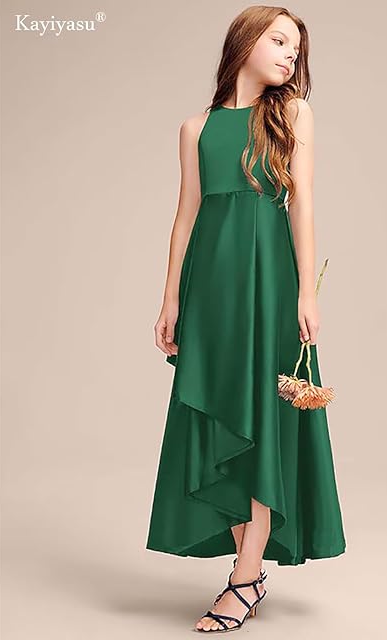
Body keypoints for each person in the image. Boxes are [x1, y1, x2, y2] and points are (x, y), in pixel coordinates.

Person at [146, 5, 346, 633]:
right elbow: (186, 215)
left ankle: (244, 575)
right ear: (245, 41)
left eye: (296, 48)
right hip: (210, 291)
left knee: (261, 421)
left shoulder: (292, 113)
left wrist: (306, 294)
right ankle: (250, 573)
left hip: (269, 286)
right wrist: (170, 299)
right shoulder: (195, 128)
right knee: (219, 420)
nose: (290, 54)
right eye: (279, 40)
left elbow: (302, 203)